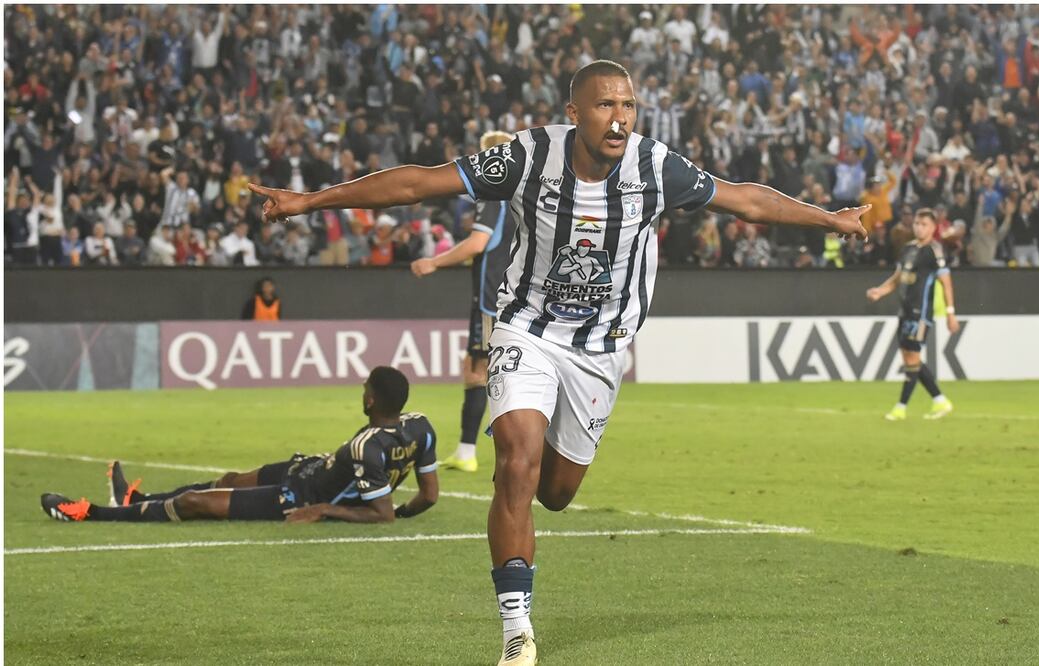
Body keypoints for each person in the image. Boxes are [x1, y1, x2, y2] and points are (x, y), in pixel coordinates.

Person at [248, 59, 867, 666]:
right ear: (575, 113)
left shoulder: (656, 167)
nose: (619, 118)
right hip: (527, 331)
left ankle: (524, 518)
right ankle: (517, 631)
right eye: (605, 105)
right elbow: (416, 183)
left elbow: (746, 201)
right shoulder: (525, 158)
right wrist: (308, 202)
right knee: (516, 462)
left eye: (628, 105)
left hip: (602, 350)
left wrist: (829, 219)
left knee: (558, 492)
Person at [42, 367, 438, 524]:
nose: (362, 392)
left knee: (196, 503)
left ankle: (89, 514)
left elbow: (381, 514)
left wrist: (323, 509)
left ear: (370, 400)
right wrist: (408, 512)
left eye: (364, 388)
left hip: (296, 496)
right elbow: (429, 495)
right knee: (228, 478)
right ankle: (133, 497)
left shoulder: (366, 446)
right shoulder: (421, 427)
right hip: (307, 468)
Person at [410, 130, 517, 473]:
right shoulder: (523, 196)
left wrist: (434, 262)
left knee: (480, 370)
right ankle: (469, 449)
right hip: (512, 293)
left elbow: (476, 244)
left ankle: (471, 451)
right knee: (484, 369)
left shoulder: (493, 194)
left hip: (491, 297)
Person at [866, 208, 961, 421]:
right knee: (910, 359)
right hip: (905, 311)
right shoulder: (907, 249)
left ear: (933, 227)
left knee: (913, 358)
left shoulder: (934, 251)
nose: (919, 227)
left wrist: (950, 313)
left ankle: (901, 407)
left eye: (924, 224)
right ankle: (940, 400)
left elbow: (946, 283)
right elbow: (898, 277)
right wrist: (880, 291)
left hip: (921, 312)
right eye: (917, 223)